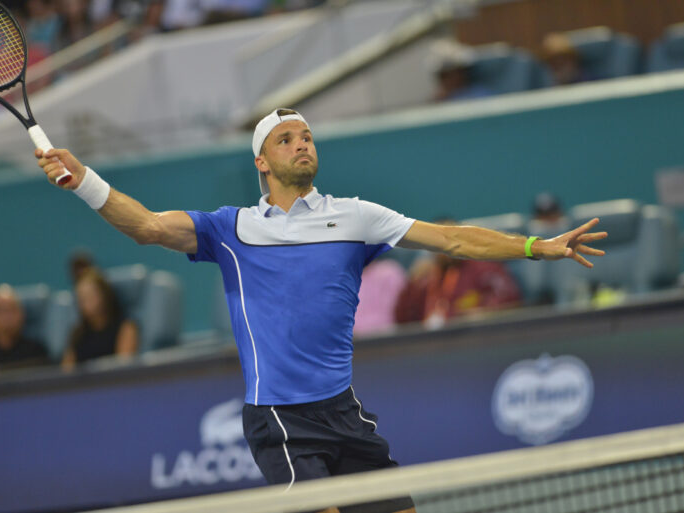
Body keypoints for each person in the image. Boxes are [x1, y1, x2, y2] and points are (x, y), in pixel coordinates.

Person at [35, 107, 606, 513]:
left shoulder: (357, 216)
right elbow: (148, 227)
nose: (302, 143)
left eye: (307, 136)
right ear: (262, 161)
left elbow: (453, 241)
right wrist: (85, 180)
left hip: (343, 412)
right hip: (281, 422)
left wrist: (536, 246)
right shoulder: (231, 229)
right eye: (286, 139)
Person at [395, 219, 521, 328]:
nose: (444, 247)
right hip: (432, 344)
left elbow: (510, 299)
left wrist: (484, 312)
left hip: (475, 335)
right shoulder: (425, 278)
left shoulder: (482, 266)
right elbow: (403, 319)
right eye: (436, 243)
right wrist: (411, 281)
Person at [62, 268, 139, 370]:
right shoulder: (77, 334)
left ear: (104, 295)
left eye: (90, 296)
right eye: (82, 299)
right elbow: (65, 372)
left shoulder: (126, 327)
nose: (86, 303)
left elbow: (123, 368)